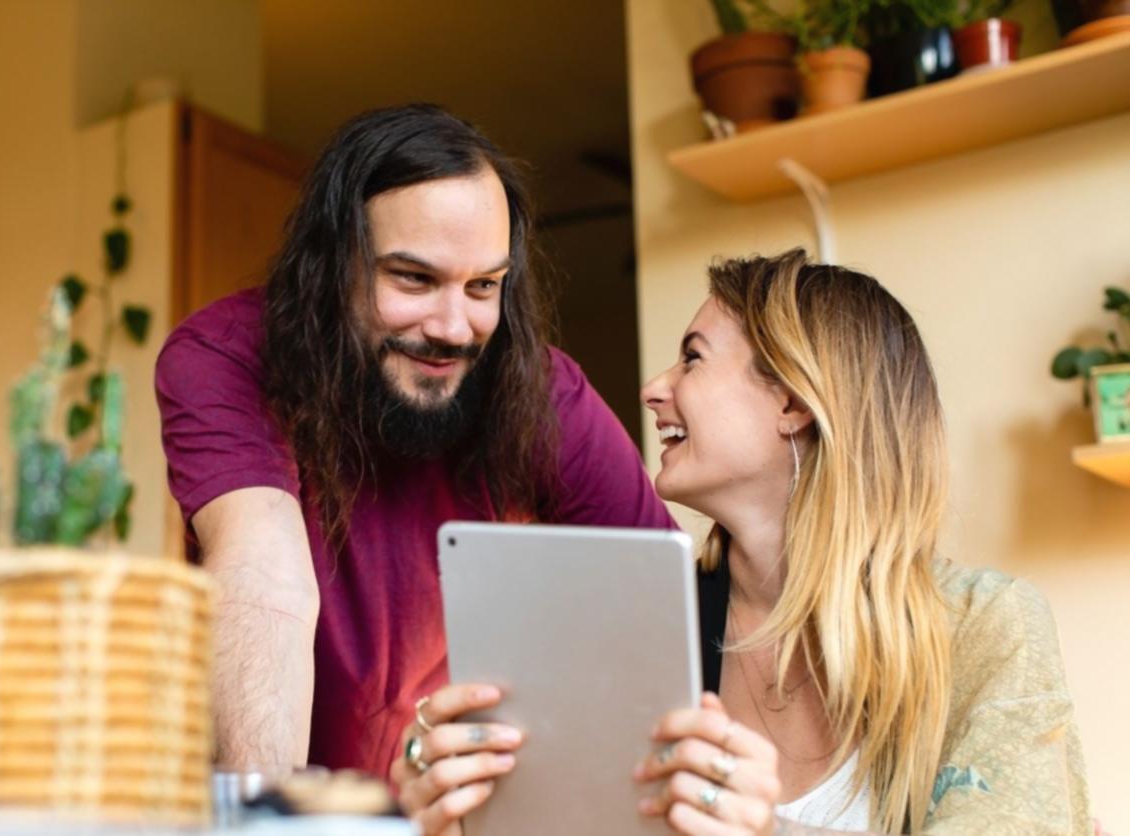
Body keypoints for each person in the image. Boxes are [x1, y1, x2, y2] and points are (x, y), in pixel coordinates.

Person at [394, 250, 1092, 835]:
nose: (653, 390)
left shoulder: (988, 630)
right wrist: (453, 814)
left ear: (792, 399)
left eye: (692, 359)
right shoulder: (636, 634)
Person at [154, 104, 674, 779]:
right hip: (284, 806)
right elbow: (263, 576)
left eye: (483, 286)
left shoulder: (544, 392)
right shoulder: (225, 355)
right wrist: (271, 819)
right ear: (334, 263)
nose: (454, 327)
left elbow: (652, 599)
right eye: (414, 279)